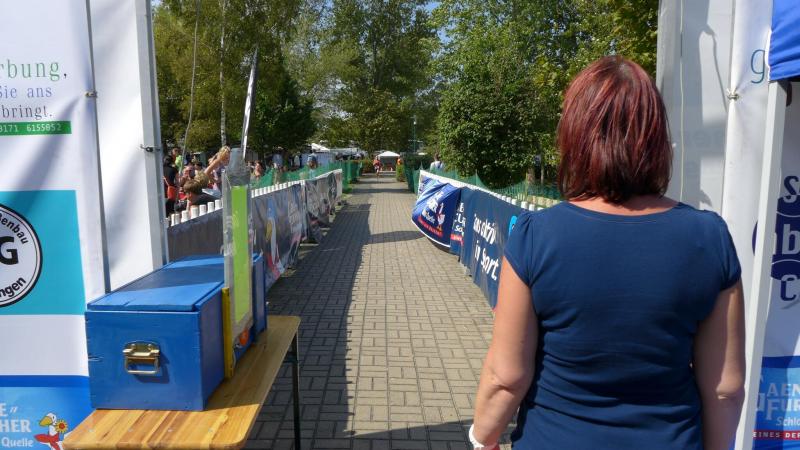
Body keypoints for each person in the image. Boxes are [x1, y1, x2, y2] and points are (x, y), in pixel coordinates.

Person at [469, 56, 745, 450]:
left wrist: (482, 438)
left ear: (576, 135)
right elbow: (725, 389)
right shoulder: (709, 238)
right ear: (655, 137)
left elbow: (506, 377)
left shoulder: (536, 236)